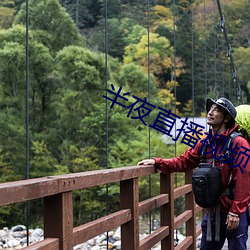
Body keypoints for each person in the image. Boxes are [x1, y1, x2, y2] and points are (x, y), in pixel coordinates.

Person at [137, 97, 250, 250]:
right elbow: (184, 161)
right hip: (213, 210)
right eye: (210, 109)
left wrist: (236, 212)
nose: (210, 112)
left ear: (227, 118)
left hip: (233, 211)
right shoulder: (205, 142)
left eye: (216, 110)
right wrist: (158, 162)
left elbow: (244, 179)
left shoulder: (238, 143)